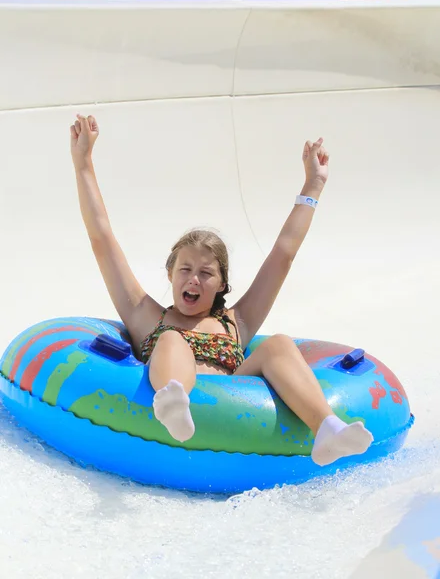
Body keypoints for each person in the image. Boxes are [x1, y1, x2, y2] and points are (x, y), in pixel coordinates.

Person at [70, 114, 374, 466]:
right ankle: (174, 401)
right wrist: (84, 163)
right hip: (168, 412)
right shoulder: (147, 316)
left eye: (205, 273)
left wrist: (313, 187)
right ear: (170, 274)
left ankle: (327, 428)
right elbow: (102, 239)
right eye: (184, 269)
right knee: (171, 339)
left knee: (278, 344)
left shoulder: (237, 322)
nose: (193, 279)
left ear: (222, 284)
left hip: (231, 408)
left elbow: (283, 254)